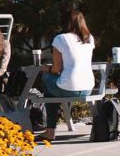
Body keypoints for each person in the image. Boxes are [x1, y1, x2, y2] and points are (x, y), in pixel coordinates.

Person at [38, 8, 96, 141]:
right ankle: (58, 124)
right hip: (88, 88)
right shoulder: (90, 38)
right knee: (57, 85)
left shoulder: (60, 38)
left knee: (47, 80)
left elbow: (57, 69)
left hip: (69, 88)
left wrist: (47, 69)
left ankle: (50, 130)